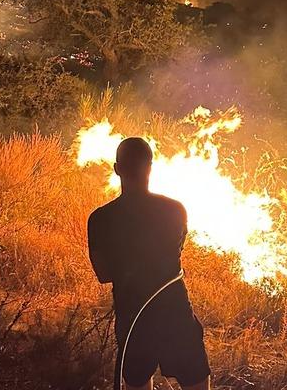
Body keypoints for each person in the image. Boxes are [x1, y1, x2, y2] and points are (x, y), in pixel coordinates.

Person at [87, 137, 211, 390]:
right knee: (196, 382)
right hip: (175, 314)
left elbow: (103, 273)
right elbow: (175, 252)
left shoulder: (100, 219)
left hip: (133, 316)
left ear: (117, 168)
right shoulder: (175, 210)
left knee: (137, 382)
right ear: (151, 167)